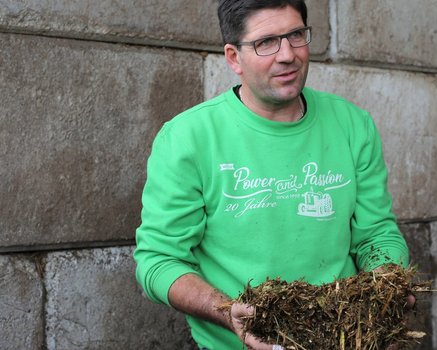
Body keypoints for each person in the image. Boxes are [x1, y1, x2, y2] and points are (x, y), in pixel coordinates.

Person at [134, 0, 412, 349]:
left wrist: (387, 286)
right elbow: (159, 261)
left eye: (296, 35)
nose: (287, 55)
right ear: (234, 57)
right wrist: (227, 310)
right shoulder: (188, 138)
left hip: (346, 338)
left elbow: (375, 235)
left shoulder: (353, 125)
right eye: (266, 42)